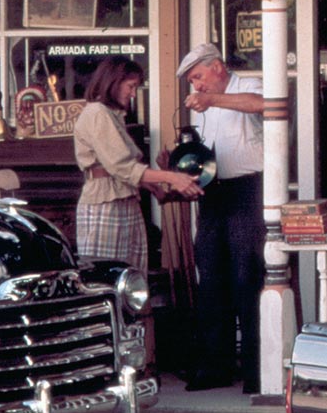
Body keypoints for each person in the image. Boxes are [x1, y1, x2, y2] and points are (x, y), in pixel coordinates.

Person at [179, 42, 265, 392]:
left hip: (248, 190)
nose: (197, 86)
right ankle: (216, 365)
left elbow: (265, 106)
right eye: (192, 81)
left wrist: (212, 100)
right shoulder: (205, 104)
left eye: (198, 77)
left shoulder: (247, 86)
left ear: (216, 67)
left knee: (248, 275)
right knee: (211, 276)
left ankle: (256, 371)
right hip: (213, 193)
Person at [72, 57, 201, 274]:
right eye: (131, 86)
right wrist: (172, 178)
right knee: (107, 277)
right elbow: (121, 167)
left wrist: (154, 187)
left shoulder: (113, 115)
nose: (133, 94)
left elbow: (124, 170)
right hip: (106, 205)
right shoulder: (97, 113)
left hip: (124, 202)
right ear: (113, 81)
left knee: (131, 278)